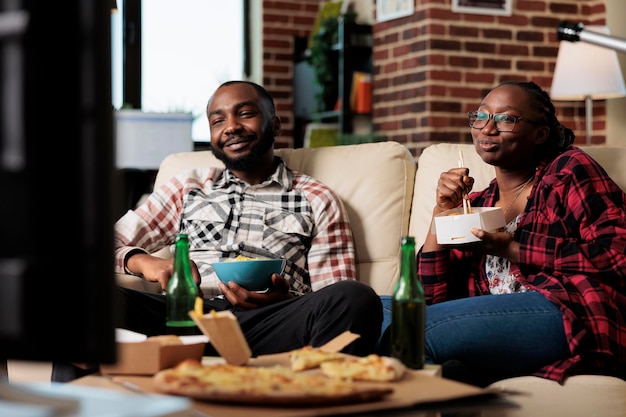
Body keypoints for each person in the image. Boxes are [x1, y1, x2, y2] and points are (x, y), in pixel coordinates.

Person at [52, 80, 382, 381]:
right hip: (184, 319)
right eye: (218, 121)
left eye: (246, 114)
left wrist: (286, 298)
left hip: (268, 323)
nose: (232, 127)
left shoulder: (315, 197)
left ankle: (320, 401)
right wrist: (144, 262)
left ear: (275, 124)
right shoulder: (189, 187)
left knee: (355, 297)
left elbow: (334, 291)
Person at [417, 80, 626, 387]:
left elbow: (618, 256)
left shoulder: (568, 171)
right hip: (499, 324)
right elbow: (431, 300)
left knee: (415, 332)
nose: (488, 128)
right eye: (481, 116)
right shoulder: (477, 204)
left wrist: (513, 249)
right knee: (370, 309)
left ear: (540, 133)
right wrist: (441, 213)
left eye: (506, 118)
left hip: (567, 312)